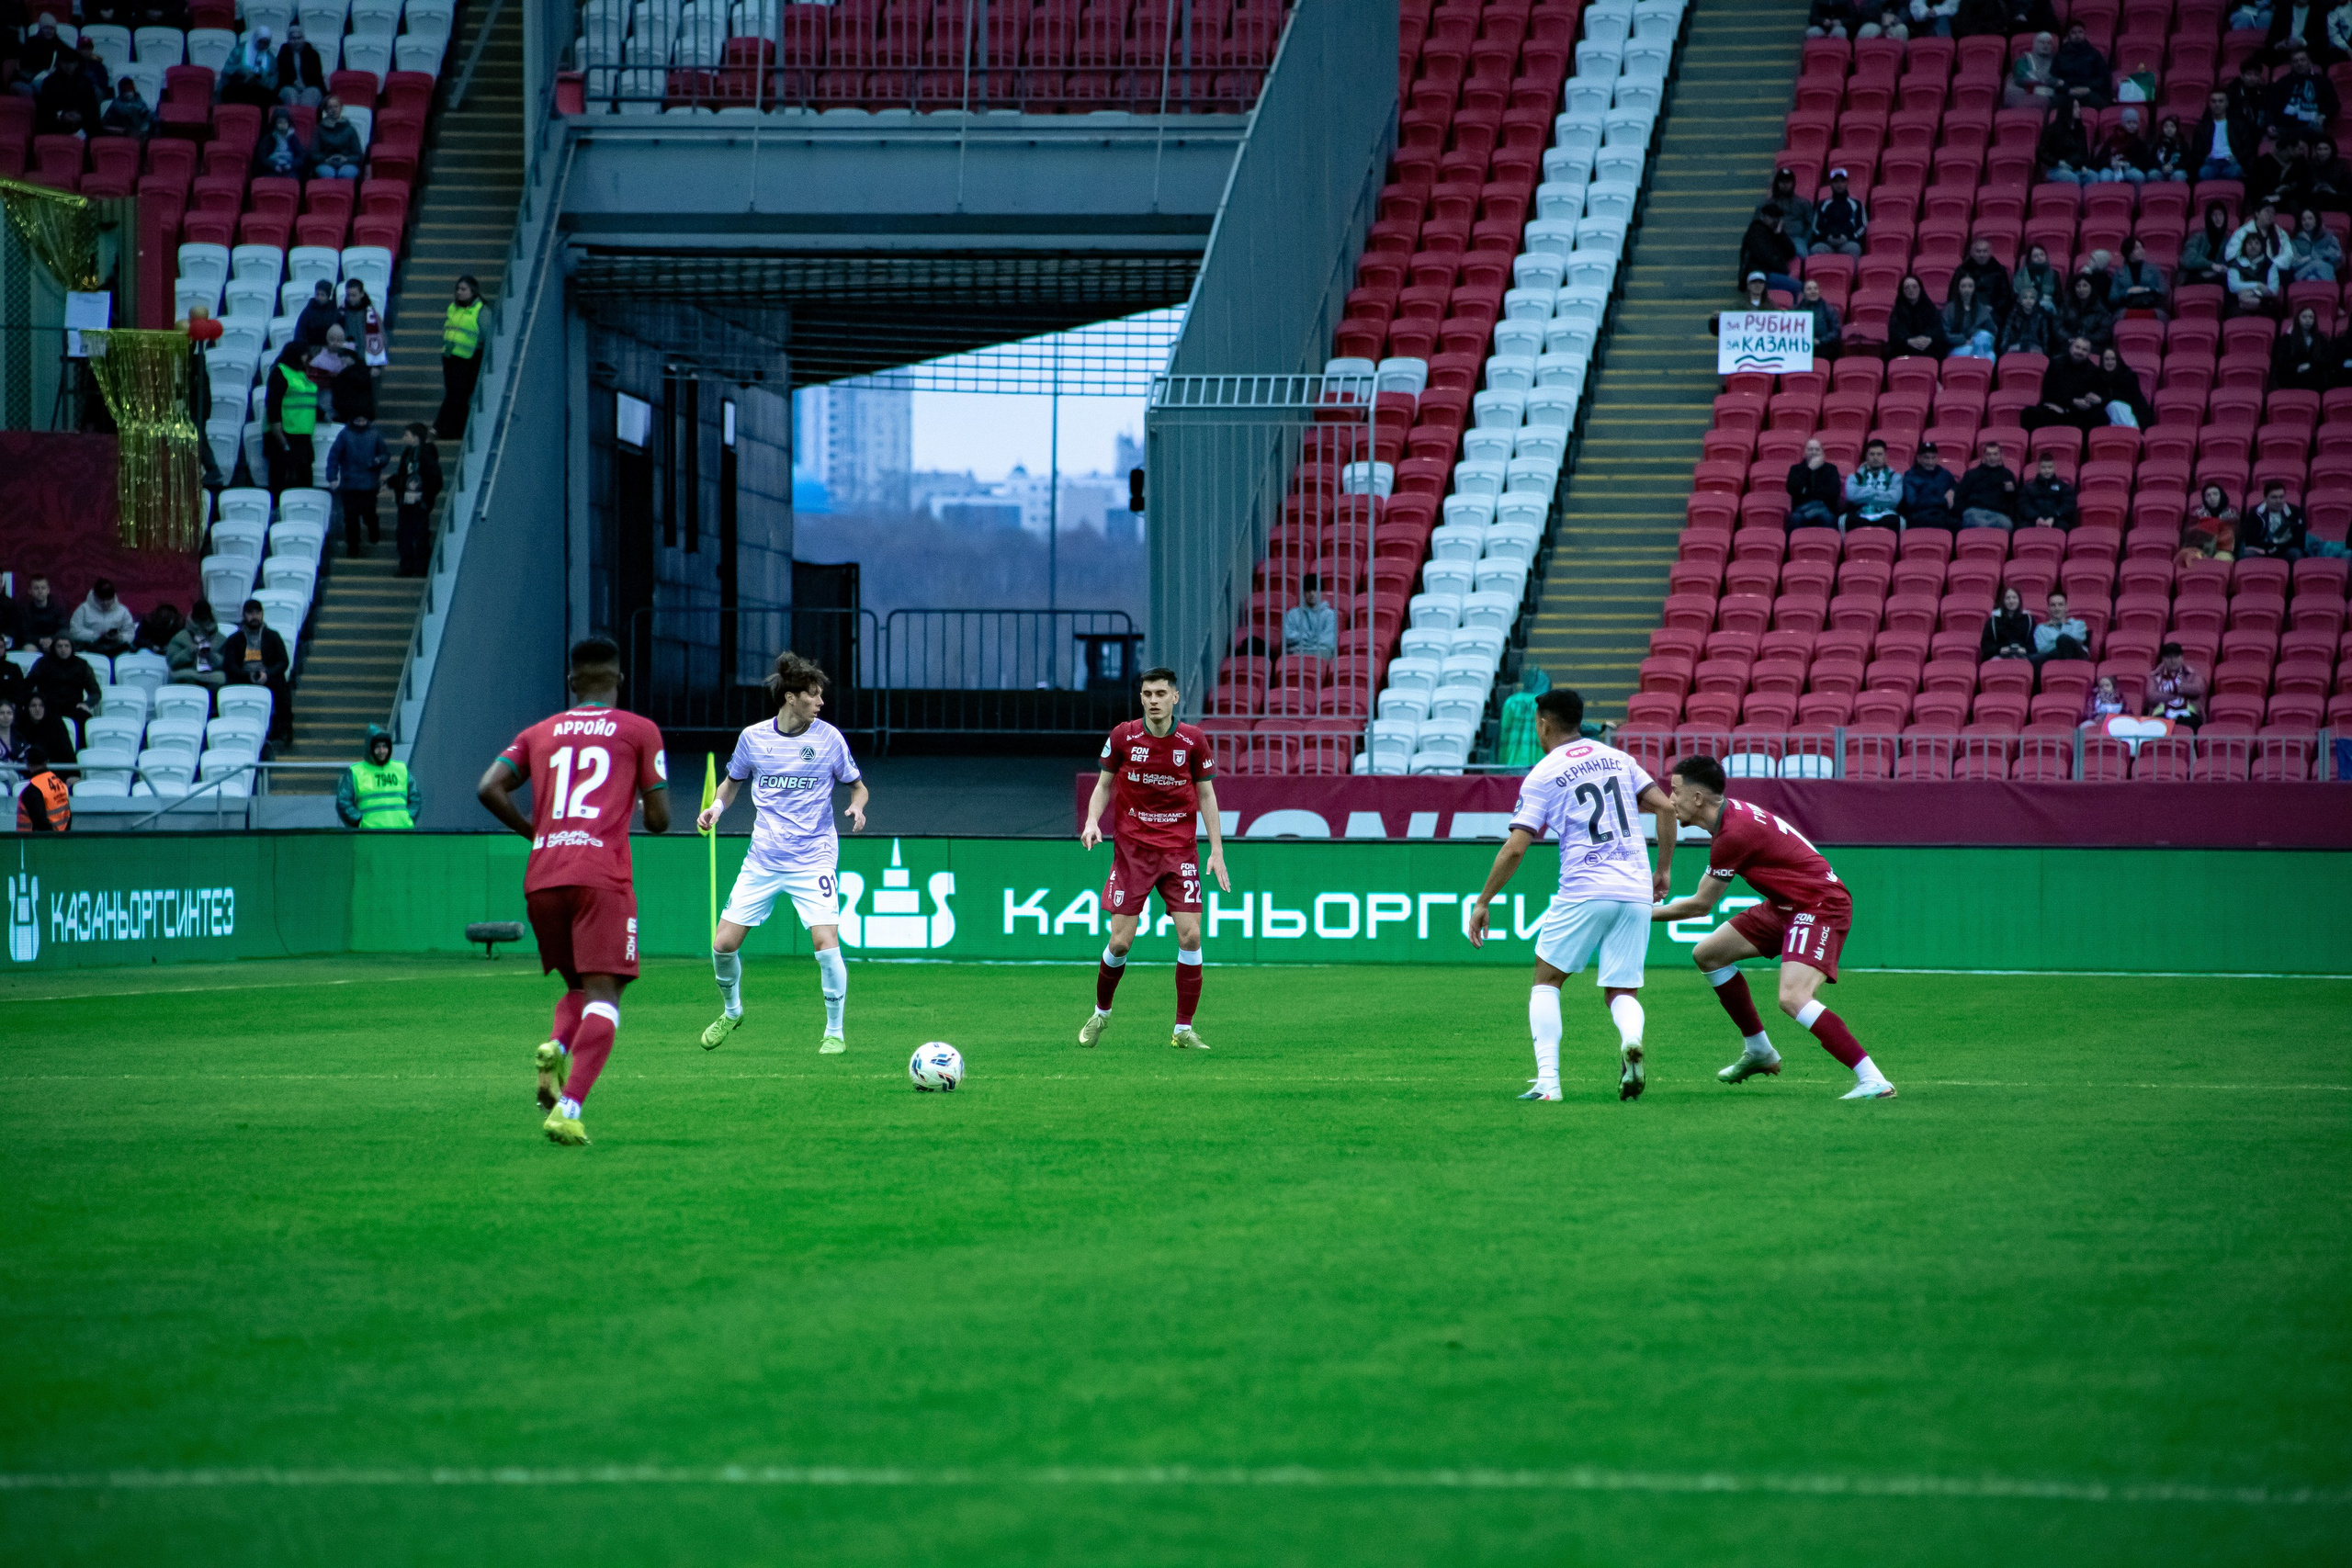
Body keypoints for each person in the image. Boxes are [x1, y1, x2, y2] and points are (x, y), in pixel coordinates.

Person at [476, 636, 671, 1145]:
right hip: (601, 877)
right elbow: (658, 820)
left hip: (543, 876)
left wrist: (536, 832)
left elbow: (488, 787)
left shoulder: (540, 732)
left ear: (571, 681)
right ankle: (569, 1107)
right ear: (619, 678)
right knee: (606, 994)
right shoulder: (638, 730)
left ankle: (557, 1045)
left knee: (578, 989)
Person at [1466, 688, 1677, 1103]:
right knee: (1622, 990)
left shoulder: (1544, 773)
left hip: (1585, 885)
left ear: (1543, 723)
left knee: (1547, 981)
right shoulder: (1618, 759)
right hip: (1635, 887)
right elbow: (1667, 809)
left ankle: (1549, 1083)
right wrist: (1663, 870)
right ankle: (1631, 1038)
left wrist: (1483, 900)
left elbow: (1515, 846)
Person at [1651, 757, 1897, 1100]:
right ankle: (1759, 1051)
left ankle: (1873, 1079)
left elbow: (1700, 905)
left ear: (1697, 798)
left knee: (1793, 997)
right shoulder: (1731, 818)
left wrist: (1637, 913)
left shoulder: (1732, 834)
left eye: (1675, 791)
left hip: (1818, 904)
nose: (1670, 798)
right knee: (1708, 955)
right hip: (1787, 904)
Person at [695, 652, 868, 1054]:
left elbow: (857, 785)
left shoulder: (828, 738)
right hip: (764, 858)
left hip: (813, 857)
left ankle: (835, 1032)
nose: (820, 703)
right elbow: (731, 783)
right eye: (813, 695)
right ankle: (733, 1011)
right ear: (791, 698)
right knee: (722, 945)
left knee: (826, 944)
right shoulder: (753, 738)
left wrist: (858, 805)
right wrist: (716, 809)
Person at [1077, 666, 1231, 1053]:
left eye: (1161, 693)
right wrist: (1093, 820)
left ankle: (1182, 1030)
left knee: (1191, 934)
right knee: (1121, 943)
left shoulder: (1193, 741)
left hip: (1179, 850)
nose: (1153, 700)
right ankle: (1101, 1013)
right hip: (1133, 851)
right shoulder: (1124, 736)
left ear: (1175, 698)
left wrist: (1217, 850)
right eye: (1147, 694)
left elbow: (1207, 796)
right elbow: (1103, 786)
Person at [220, 598, 292, 745]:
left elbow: (283, 661)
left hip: (267, 675)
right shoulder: (235, 639)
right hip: (243, 676)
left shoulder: (272, 636)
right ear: (244, 615)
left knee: (280, 685)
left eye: (257, 613)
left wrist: (267, 673)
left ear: (262, 614)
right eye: (250, 613)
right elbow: (230, 665)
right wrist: (247, 675)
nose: (254, 617)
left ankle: (283, 728)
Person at [325, 412, 389, 558]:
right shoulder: (344, 435)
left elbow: (385, 454)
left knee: (369, 513)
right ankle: (353, 546)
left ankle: (373, 529)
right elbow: (334, 457)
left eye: (363, 420)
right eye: (358, 420)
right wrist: (332, 477)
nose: (361, 423)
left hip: (369, 484)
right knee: (351, 518)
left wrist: (378, 460)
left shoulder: (374, 435)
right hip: (350, 484)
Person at [336, 723, 419, 829]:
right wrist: (360, 822)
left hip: (402, 831)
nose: (382, 751)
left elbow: (415, 798)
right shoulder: (356, 771)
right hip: (371, 834)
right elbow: (343, 801)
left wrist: (407, 818)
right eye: (377, 747)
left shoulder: (401, 768)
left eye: (384, 746)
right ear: (370, 748)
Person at [264, 344, 319, 494]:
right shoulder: (280, 373)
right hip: (284, 434)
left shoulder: (301, 374)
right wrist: (279, 435)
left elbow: (308, 400)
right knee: (280, 476)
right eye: (304, 354)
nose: (307, 358)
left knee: (305, 476)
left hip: (302, 435)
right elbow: (273, 405)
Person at [2022, 335, 2108, 431]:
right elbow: (2048, 391)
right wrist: (2071, 402)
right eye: (2077, 347)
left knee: (2100, 416)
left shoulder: (2094, 371)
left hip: (2077, 414)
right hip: (2055, 409)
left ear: (2089, 353)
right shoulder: (2056, 363)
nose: (2079, 352)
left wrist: (2091, 401)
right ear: (2071, 348)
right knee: (2028, 413)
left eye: (2084, 350)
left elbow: (2099, 393)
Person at [436, 276, 486, 439]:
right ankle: (457, 429)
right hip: (450, 356)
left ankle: (442, 427)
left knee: (456, 394)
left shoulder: (481, 310)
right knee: (454, 393)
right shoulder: (453, 308)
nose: (459, 292)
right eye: (458, 289)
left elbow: (486, 335)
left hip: (467, 359)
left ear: (473, 291)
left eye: (463, 289)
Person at [391, 423, 443, 577]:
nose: (404, 438)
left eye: (407, 435)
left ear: (415, 437)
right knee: (403, 535)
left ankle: (421, 567)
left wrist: (426, 500)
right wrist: (392, 483)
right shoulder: (407, 453)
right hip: (406, 503)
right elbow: (402, 476)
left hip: (419, 503)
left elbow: (435, 480)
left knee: (420, 536)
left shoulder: (426, 454)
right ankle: (406, 566)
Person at [2267, 47, 2342, 144]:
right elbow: (2272, 106)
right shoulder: (2282, 83)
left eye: (2302, 60)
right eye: (2295, 61)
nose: (2299, 63)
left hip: (2311, 127)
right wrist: (2269, 124)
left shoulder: (2323, 82)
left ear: (2309, 61)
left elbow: (2334, 105)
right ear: (2291, 64)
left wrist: (2323, 115)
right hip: (2286, 127)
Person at [2225, 203, 2290, 313]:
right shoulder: (2242, 232)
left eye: (2273, 213)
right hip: (2244, 290)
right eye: (2267, 211)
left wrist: (2254, 293)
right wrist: (2258, 286)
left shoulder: (2280, 234)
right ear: (2257, 213)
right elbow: (2233, 284)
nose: (2270, 215)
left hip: (2266, 289)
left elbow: (2288, 256)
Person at [30, 634, 101, 724]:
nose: (63, 649)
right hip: (48, 708)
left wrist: (87, 704)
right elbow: (28, 685)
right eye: (59, 646)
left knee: (86, 719)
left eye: (66, 646)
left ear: (72, 647)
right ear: (54, 648)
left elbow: (95, 692)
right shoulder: (42, 663)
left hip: (74, 708)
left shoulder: (82, 665)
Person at [1494, 664, 1552, 768]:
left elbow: (1503, 732)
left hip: (1510, 762)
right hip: (1539, 764)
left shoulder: (1511, 701)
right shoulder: (1546, 703)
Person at [1736, 209, 1801, 300]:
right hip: (1758, 274)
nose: (1774, 221)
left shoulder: (1774, 233)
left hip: (1768, 272)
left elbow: (1791, 252)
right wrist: (1784, 271)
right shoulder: (1756, 231)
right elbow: (1765, 256)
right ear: (1764, 217)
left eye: (1777, 218)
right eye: (1772, 218)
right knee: (1797, 286)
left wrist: (1780, 233)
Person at [1955, 440, 2019, 529]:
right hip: (1975, 512)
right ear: (1983, 456)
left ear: (2001, 455)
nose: (1992, 458)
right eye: (1989, 454)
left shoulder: (2007, 475)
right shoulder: (1971, 474)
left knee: (2006, 525)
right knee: (1976, 522)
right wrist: (1963, 513)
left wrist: (2012, 492)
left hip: (1998, 514)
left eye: (1995, 454)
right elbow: (1959, 497)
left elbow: (2015, 501)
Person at [2193, 88, 2253, 182]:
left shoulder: (2237, 125)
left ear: (2227, 103)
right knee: (2203, 172)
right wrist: (2205, 157)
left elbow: (2247, 147)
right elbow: (2196, 151)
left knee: (2236, 171)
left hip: (2230, 162)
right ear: (2209, 104)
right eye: (2214, 101)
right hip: (2211, 162)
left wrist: (2237, 157)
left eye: (2221, 101)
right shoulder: (2202, 127)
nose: (2217, 104)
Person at [1884, 274, 1950, 359]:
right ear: (1902, 291)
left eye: (1914, 287)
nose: (1911, 290)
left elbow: (1938, 331)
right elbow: (1895, 335)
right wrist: (1909, 341)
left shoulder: (1930, 308)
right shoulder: (1897, 311)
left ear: (1920, 289)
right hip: (1904, 349)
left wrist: (1929, 339)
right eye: (1907, 287)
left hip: (1928, 348)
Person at [2241, 479, 2309, 559]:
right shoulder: (2255, 513)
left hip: (2286, 549)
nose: (2278, 501)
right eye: (2274, 497)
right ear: (2265, 498)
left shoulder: (2295, 512)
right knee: (2248, 553)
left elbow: (2299, 542)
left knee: (2295, 553)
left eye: (2281, 497)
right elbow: (2251, 540)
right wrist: (2268, 550)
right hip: (2263, 549)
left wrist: (2276, 550)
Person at [2143, 642, 2207, 727]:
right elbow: (2152, 696)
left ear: (2182, 658)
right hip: (2161, 712)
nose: (2172, 660)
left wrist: (2173, 688)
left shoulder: (2192, 673)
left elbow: (2198, 689)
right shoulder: (2154, 675)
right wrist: (2177, 695)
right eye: (2169, 657)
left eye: (2176, 656)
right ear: (2163, 659)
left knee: (2191, 723)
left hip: (2188, 711)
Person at [166, 598, 227, 688]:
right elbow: (172, 662)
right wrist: (189, 651)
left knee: (220, 684)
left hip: (212, 677)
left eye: (206, 619)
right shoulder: (180, 638)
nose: (203, 623)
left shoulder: (221, 639)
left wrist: (211, 655)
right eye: (200, 620)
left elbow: (227, 664)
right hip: (187, 676)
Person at [1844, 437, 1904, 527]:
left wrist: (1864, 494)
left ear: (1885, 457)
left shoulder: (1895, 477)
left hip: (1887, 514)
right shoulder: (1854, 477)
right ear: (1866, 456)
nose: (1875, 457)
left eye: (1879, 454)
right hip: (1860, 513)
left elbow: (1894, 500)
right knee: (1846, 520)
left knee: (1895, 521)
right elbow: (1851, 496)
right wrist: (1877, 493)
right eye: (1872, 454)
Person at [1786, 437, 1843, 528]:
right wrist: (1810, 470)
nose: (1813, 452)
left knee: (1827, 518)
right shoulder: (1795, 469)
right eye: (1810, 449)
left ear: (1822, 453)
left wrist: (1806, 491)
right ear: (1804, 453)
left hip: (1825, 508)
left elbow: (1833, 493)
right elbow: (1792, 489)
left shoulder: (1831, 469)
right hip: (1801, 510)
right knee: (1796, 519)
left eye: (1817, 449)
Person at [68, 578, 135, 654]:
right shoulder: (83, 609)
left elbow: (130, 634)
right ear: (95, 596)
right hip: (89, 650)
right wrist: (97, 635)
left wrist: (120, 637)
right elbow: (74, 632)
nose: (106, 603)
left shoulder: (123, 611)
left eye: (109, 600)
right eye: (102, 600)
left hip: (118, 650)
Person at [2052, 19, 2110, 105]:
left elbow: (2102, 77)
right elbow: (2054, 78)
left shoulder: (2094, 54)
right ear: (2069, 35)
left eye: (2080, 32)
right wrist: (2068, 89)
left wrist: (2088, 88)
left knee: (2099, 103)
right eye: (2073, 32)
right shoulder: (2060, 55)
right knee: (2055, 103)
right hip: (2067, 93)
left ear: (2085, 34)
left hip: (2089, 92)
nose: (2077, 35)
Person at [1901, 442, 1957, 530]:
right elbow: (1912, 502)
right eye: (1926, 458)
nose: (1930, 462)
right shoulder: (1910, 477)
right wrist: (1943, 501)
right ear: (1919, 459)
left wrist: (1952, 491)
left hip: (1942, 514)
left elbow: (1956, 486)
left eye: (1933, 457)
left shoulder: (1944, 474)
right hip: (1920, 515)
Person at [219, 23, 277, 109]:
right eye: (261, 42)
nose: (263, 45)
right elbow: (227, 69)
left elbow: (273, 80)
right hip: (239, 86)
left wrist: (261, 76)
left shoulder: (270, 58)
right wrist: (242, 71)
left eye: (266, 43)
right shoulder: (240, 50)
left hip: (258, 89)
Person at [2039, 96, 2097, 182]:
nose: (2079, 110)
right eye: (2075, 108)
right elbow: (2041, 153)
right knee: (2072, 178)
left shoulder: (2081, 129)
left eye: (2079, 107)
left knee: (2093, 176)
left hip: (2076, 167)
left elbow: (2084, 152)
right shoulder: (2052, 130)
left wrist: (2084, 165)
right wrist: (2057, 162)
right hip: (2057, 168)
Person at [1812, 167, 1867, 257]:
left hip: (1848, 242)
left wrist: (1849, 237)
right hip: (1827, 243)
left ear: (1847, 183)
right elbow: (1815, 227)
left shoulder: (1856, 203)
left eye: (1842, 181)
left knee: (1854, 248)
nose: (1839, 184)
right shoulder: (1822, 204)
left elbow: (1863, 226)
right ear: (1831, 184)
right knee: (1816, 249)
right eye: (1836, 181)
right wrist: (1826, 237)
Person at [1957, 236, 2017, 318]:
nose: (1982, 254)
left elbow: (2006, 297)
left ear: (1990, 252)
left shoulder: (1999, 271)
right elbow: (1954, 295)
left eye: (1985, 251)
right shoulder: (1962, 271)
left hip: (1993, 314)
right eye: (1978, 251)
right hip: (1967, 313)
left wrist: (1993, 308)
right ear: (1972, 253)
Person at [2275, 305, 2332, 389]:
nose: (2308, 320)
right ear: (2298, 319)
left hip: (2315, 376)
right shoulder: (2287, 339)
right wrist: (2297, 367)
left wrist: (2310, 365)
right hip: (2293, 376)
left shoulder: (2320, 338)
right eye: (2304, 317)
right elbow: (2282, 361)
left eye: (2311, 317)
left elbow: (2327, 358)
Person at [1762, 167, 1815, 256]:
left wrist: (1805, 239)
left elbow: (1810, 224)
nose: (1785, 184)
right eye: (1782, 182)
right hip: (1774, 238)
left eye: (1788, 182)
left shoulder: (1803, 203)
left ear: (1793, 183)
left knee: (1802, 254)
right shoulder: (1768, 204)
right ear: (1777, 183)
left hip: (1797, 239)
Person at [1282, 574, 1338, 658]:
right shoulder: (1292, 614)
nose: (1312, 594)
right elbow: (1287, 636)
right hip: (1297, 651)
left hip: (1321, 653)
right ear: (1303, 592)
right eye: (1308, 590)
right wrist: (1310, 637)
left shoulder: (1330, 615)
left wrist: (1304, 639)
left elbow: (1328, 641)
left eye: (1315, 590)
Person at [2096, 345, 2152, 427]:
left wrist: (2102, 400)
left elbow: (2124, 398)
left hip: (2133, 413)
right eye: (2106, 359)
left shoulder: (2129, 376)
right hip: (2111, 414)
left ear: (2118, 360)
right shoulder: (2099, 376)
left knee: (2114, 405)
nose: (2109, 362)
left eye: (2113, 359)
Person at [15, 746, 69, 832]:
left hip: (33, 842)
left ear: (28, 763)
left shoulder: (31, 791)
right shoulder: (59, 782)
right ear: (46, 762)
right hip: (61, 836)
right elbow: (68, 813)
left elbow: (41, 824)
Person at [2183, 483, 2240, 563]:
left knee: (2223, 558)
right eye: (2208, 495)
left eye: (2215, 494)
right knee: (2192, 558)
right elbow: (2190, 534)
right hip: (2200, 548)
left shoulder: (2231, 515)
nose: (2212, 498)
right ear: (2204, 499)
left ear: (2221, 496)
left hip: (2222, 550)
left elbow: (2234, 536)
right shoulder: (2197, 514)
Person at [2109, 237, 2170, 312]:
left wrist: (2146, 290)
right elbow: (2113, 297)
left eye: (2142, 247)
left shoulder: (2153, 269)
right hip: (2126, 307)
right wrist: (2128, 291)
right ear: (2128, 252)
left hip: (2151, 306)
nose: (2142, 251)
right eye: (2137, 248)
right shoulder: (2119, 272)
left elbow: (2163, 290)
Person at [2019, 451, 2078, 528]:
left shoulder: (2063, 487)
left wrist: (2054, 517)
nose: (2047, 470)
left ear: (2054, 468)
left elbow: (2068, 505)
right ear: (2038, 468)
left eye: (2050, 467)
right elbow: (2024, 505)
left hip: (2057, 521)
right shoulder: (2028, 488)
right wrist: (2036, 518)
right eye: (2043, 467)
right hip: (2033, 521)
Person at [309, 93, 363, 177]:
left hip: (347, 163)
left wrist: (346, 159)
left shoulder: (350, 129)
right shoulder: (319, 130)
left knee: (346, 173)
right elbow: (314, 153)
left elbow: (358, 154)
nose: (334, 110)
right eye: (330, 107)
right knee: (327, 173)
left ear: (341, 108)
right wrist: (326, 160)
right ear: (325, 110)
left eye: (336, 107)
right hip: (325, 163)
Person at [1942, 271, 1996, 354]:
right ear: (1958, 288)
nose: (1967, 290)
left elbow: (1991, 330)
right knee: (1969, 350)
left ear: (1974, 288)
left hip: (1977, 345)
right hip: (1957, 347)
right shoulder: (1949, 309)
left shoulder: (1981, 308)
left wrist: (1975, 337)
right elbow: (1945, 333)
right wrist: (1964, 340)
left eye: (1970, 286)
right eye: (1963, 286)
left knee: (1991, 355)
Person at [275, 20, 325, 107]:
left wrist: (305, 85)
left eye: (299, 38)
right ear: (288, 40)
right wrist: (294, 83)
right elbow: (281, 77)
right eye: (293, 38)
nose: (296, 41)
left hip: (309, 86)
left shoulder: (313, 54)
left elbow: (317, 78)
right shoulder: (283, 54)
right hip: (289, 86)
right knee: (290, 93)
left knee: (310, 94)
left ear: (303, 38)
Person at [14, 693, 75, 763]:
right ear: (27, 708)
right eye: (33, 705)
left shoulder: (56, 724)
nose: (37, 709)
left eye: (41, 705)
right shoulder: (21, 725)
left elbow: (68, 752)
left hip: (55, 769)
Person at [2059, 271, 2115, 348]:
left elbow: (2104, 331)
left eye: (2085, 286)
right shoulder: (2067, 305)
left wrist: (2086, 340)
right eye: (2078, 286)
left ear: (2091, 288)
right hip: (2069, 343)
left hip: (2092, 345)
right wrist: (2069, 338)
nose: (2081, 289)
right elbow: (2058, 325)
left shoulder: (2100, 308)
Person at [2007, 29, 2059, 108]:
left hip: (2050, 97)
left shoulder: (2057, 62)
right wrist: (2038, 84)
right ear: (2035, 44)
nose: (2045, 45)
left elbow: (2058, 81)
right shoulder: (2023, 60)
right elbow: (2019, 80)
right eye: (2042, 42)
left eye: (2048, 43)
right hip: (2026, 95)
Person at [2288, 209, 2343, 280]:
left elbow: (2337, 256)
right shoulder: (2295, 241)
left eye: (2310, 218)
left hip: (2325, 273)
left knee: (2319, 267)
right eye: (2303, 219)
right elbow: (2294, 264)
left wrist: (2321, 254)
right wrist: (2311, 258)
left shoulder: (2329, 237)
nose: (2307, 222)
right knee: (2311, 277)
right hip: (2303, 274)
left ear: (2316, 220)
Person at [1982, 585, 2036, 659]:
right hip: (1999, 656)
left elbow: (2033, 645)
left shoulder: (2029, 620)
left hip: (2022, 656)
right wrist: (2000, 650)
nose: (2011, 601)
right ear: (2003, 601)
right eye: (2008, 598)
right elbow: (1986, 645)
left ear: (2019, 600)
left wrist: (2024, 650)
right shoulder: (1993, 621)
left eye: (2014, 597)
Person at [2033, 590, 2089, 661]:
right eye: (2053, 605)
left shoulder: (2078, 624)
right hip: (2053, 658)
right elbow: (2042, 650)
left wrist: (2054, 642)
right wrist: (2060, 642)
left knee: (2064, 639)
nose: (2057, 608)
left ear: (2066, 607)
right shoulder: (2041, 628)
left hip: (2077, 658)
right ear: (2048, 609)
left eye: (2060, 605)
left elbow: (2076, 641)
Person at [1796, 276, 1843, 358]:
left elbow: (1836, 332)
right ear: (1803, 293)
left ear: (1819, 291)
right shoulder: (1795, 310)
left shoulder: (1829, 310)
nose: (1813, 291)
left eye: (1815, 288)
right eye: (1809, 289)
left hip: (1823, 350)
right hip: (1801, 350)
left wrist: (1820, 341)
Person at [252, 106, 306, 178]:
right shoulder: (268, 138)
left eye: (285, 122)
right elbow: (262, 157)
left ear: (289, 123)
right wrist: (274, 166)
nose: (283, 125)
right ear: (275, 124)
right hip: (272, 167)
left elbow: (301, 156)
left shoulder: (293, 138)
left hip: (289, 167)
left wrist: (291, 165)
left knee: (292, 178)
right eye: (280, 122)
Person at [96, 74, 150, 139]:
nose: (128, 93)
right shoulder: (115, 105)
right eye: (125, 91)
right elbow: (106, 125)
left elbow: (148, 117)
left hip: (138, 136)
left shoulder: (140, 102)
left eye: (130, 90)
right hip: (119, 137)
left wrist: (145, 126)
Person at [2144, 114, 2193, 183]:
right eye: (2166, 126)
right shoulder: (2157, 143)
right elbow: (2151, 160)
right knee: (2152, 174)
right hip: (2160, 170)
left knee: (2179, 175)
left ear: (2176, 128)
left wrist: (2173, 167)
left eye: (2172, 126)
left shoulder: (2183, 144)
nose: (2169, 129)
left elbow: (2186, 161)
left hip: (2176, 170)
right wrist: (2162, 167)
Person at [17, 574, 64, 645]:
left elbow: (63, 629)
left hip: (54, 642)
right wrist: (41, 641)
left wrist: (52, 640)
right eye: (36, 588)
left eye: (43, 588)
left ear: (48, 590)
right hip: (34, 643)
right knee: (28, 648)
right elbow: (23, 634)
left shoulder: (58, 607)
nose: (40, 591)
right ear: (30, 591)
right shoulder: (24, 610)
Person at [293, 278, 341, 348]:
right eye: (317, 294)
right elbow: (300, 334)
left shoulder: (335, 312)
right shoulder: (308, 312)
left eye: (322, 295)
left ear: (328, 295)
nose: (319, 297)